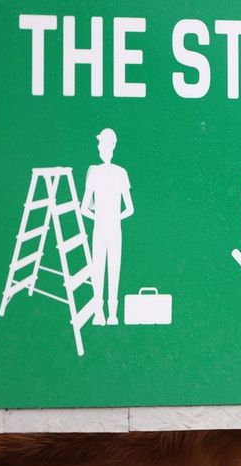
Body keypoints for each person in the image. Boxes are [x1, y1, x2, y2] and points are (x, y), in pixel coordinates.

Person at [81, 128, 134, 326]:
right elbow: (129, 210)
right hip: (110, 228)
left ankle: (106, 314)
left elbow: (84, 209)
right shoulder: (114, 172)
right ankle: (106, 315)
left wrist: (101, 217)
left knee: (107, 269)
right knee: (107, 269)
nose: (99, 147)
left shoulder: (108, 173)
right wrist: (113, 218)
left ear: (109, 146)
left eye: (101, 143)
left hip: (105, 228)